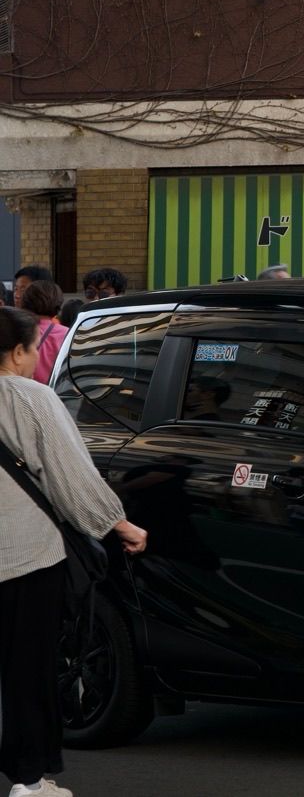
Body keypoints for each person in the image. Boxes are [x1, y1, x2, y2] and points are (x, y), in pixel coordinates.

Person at [1, 306, 149, 797]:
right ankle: (28, 780)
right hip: (23, 558)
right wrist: (118, 524)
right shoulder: (32, 399)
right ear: (19, 351)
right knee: (28, 669)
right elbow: (71, 478)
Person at [17, 282, 68, 387]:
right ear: (58, 303)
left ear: (25, 301)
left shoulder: (15, 329)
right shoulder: (68, 334)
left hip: (19, 393)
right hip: (55, 397)